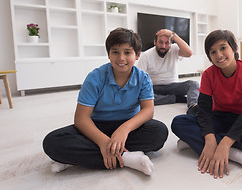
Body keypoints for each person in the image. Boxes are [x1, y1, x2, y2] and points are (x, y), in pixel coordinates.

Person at [43, 28, 168, 176]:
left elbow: (148, 111)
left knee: (159, 133)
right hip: (97, 127)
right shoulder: (95, 77)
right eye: (115, 52)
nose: (121, 58)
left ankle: (75, 159)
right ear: (108, 54)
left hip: (128, 126)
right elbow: (81, 119)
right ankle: (127, 158)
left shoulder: (143, 78)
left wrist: (124, 129)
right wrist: (103, 142)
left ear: (137, 55)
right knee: (52, 142)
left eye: (127, 52)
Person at [171, 30, 242, 179]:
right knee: (178, 122)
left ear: (234, 48)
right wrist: (209, 138)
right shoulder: (208, 74)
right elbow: (204, 110)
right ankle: (237, 155)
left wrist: (226, 143)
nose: (219, 55)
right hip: (218, 117)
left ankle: (203, 144)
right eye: (213, 52)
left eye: (223, 48)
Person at [136, 28, 200, 114]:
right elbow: (138, 78)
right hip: (154, 87)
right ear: (155, 42)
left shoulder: (174, 49)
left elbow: (189, 53)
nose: (163, 46)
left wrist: (173, 34)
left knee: (194, 84)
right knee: (140, 95)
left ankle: (193, 106)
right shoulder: (146, 55)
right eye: (160, 42)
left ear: (171, 43)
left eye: (167, 43)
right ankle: (176, 98)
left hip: (173, 86)